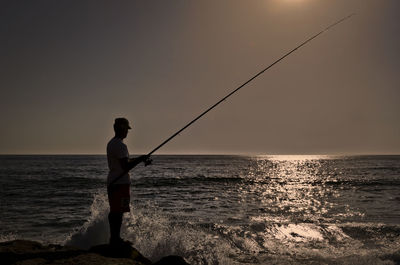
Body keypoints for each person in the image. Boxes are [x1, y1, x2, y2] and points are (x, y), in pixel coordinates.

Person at [106, 117, 151, 246]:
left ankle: (114, 238)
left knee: (115, 211)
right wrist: (141, 159)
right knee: (117, 212)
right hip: (119, 183)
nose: (127, 132)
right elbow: (126, 166)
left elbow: (125, 162)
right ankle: (115, 240)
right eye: (126, 129)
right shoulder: (120, 145)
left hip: (114, 181)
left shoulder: (112, 143)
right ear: (121, 128)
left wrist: (140, 159)